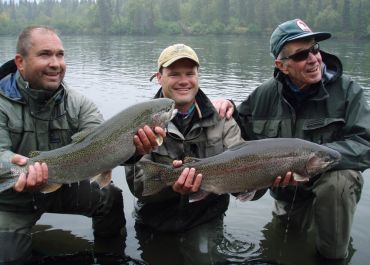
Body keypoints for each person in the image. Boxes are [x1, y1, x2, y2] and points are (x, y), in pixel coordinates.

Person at [0, 26, 164, 265]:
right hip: (11, 197)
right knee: (9, 258)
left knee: (109, 197)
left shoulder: (78, 104)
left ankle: (110, 255)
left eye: (60, 55)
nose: (56, 63)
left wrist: (134, 150)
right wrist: (16, 166)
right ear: (20, 62)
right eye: (45, 54)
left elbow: (103, 146)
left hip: (62, 183)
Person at [218, 19, 369, 261]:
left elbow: (366, 143)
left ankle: (333, 256)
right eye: (301, 55)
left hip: (331, 197)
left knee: (340, 180)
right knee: (283, 249)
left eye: (315, 49)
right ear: (282, 65)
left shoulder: (348, 92)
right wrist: (226, 108)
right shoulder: (263, 96)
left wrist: (309, 158)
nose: (313, 59)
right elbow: (239, 143)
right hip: (287, 196)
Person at [124, 43, 250, 265]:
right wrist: (171, 187)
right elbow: (139, 188)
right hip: (155, 219)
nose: (184, 80)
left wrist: (264, 180)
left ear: (198, 76)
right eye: (174, 74)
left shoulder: (223, 119)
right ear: (159, 77)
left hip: (205, 218)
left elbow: (244, 175)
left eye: (190, 73)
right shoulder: (139, 123)